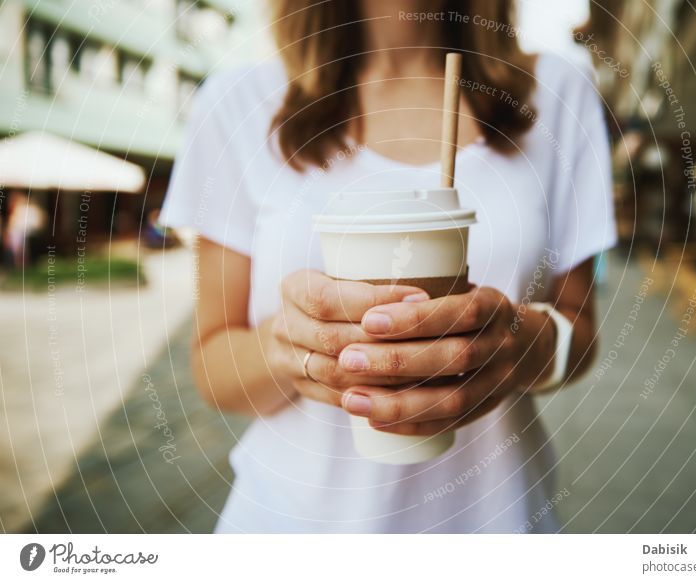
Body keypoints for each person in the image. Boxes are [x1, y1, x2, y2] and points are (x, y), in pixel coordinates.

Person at [160, 0, 616, 533]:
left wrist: (520, 343)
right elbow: (214, 369)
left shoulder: (557, 94)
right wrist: (289, 345)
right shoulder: (235, 102)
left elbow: (578, 332)